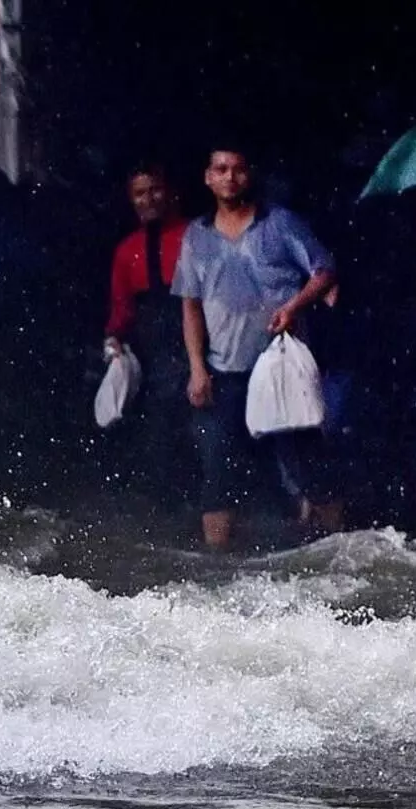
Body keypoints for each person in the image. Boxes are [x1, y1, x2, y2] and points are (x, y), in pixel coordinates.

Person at [173, 141, 341, 550]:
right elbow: (190, 307)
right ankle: (217, 564)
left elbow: (325, 271)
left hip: (281, 363)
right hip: (224, 369)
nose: (230, 177)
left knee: (308, 461)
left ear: (250, 175)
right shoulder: (197, 236)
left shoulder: (280, 224)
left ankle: (339, 552)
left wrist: (294, 305)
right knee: (218, 468)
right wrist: (196, 367)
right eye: (221, 169)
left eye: (238, 169)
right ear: (208, 178)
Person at [103, 162, 191, 504]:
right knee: (158, 440)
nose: (149, 199)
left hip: (196, 349)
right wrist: (113, 339)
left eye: (155, 190)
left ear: (169, 193)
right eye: (140, 193)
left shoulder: (194, 236)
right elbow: (121, 307)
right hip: (154, 358)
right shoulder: (127, 250)